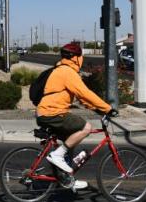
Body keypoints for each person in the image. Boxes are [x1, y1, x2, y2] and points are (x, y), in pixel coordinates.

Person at [36, 42, 113, 191]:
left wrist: (97, 109)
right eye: (81, 56)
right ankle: (57, 157)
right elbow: (85, 93)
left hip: (48, 112)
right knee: (86, 127)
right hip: (52, 112)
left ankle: (66, 178)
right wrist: (108, 108)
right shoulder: (67, 72)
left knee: (70, 141)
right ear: (77, 58)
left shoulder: (62, 69)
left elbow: (82, 98)